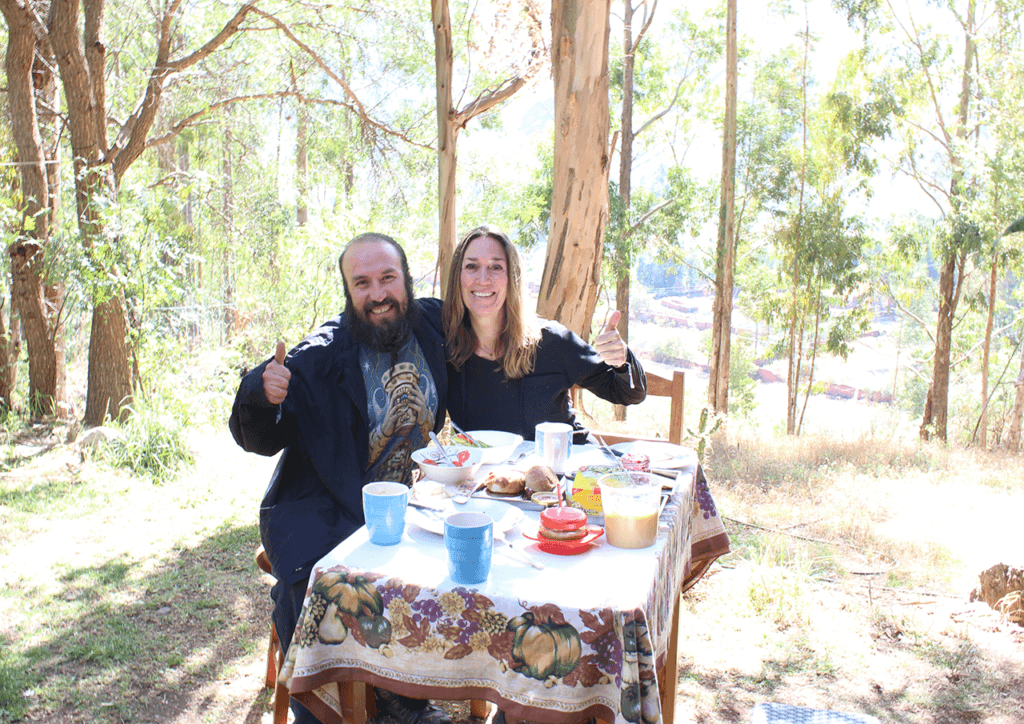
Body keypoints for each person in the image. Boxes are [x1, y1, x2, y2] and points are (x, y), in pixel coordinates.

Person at [230, 232, 453, 724]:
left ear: (407, 279)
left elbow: (498, 331)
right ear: (348, 292)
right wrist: (260, 392)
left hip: (408, 511)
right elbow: (260, 437)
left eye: (387, 278)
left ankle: (402, 698)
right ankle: (333, 707)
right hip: (323, 513)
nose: (378, 294)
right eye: (362, 283)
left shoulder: (433, 326)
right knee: (325, 592)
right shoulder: (320, 357)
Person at [443, 224, 647, 445]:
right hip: (482, 467)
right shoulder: (444, 346)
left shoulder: (551, 341)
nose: (483, 279)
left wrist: (621, 360)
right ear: (457, 277)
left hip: (564, 462)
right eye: (471, 266)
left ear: (512, 277)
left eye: (496, 267)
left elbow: (628, 393)